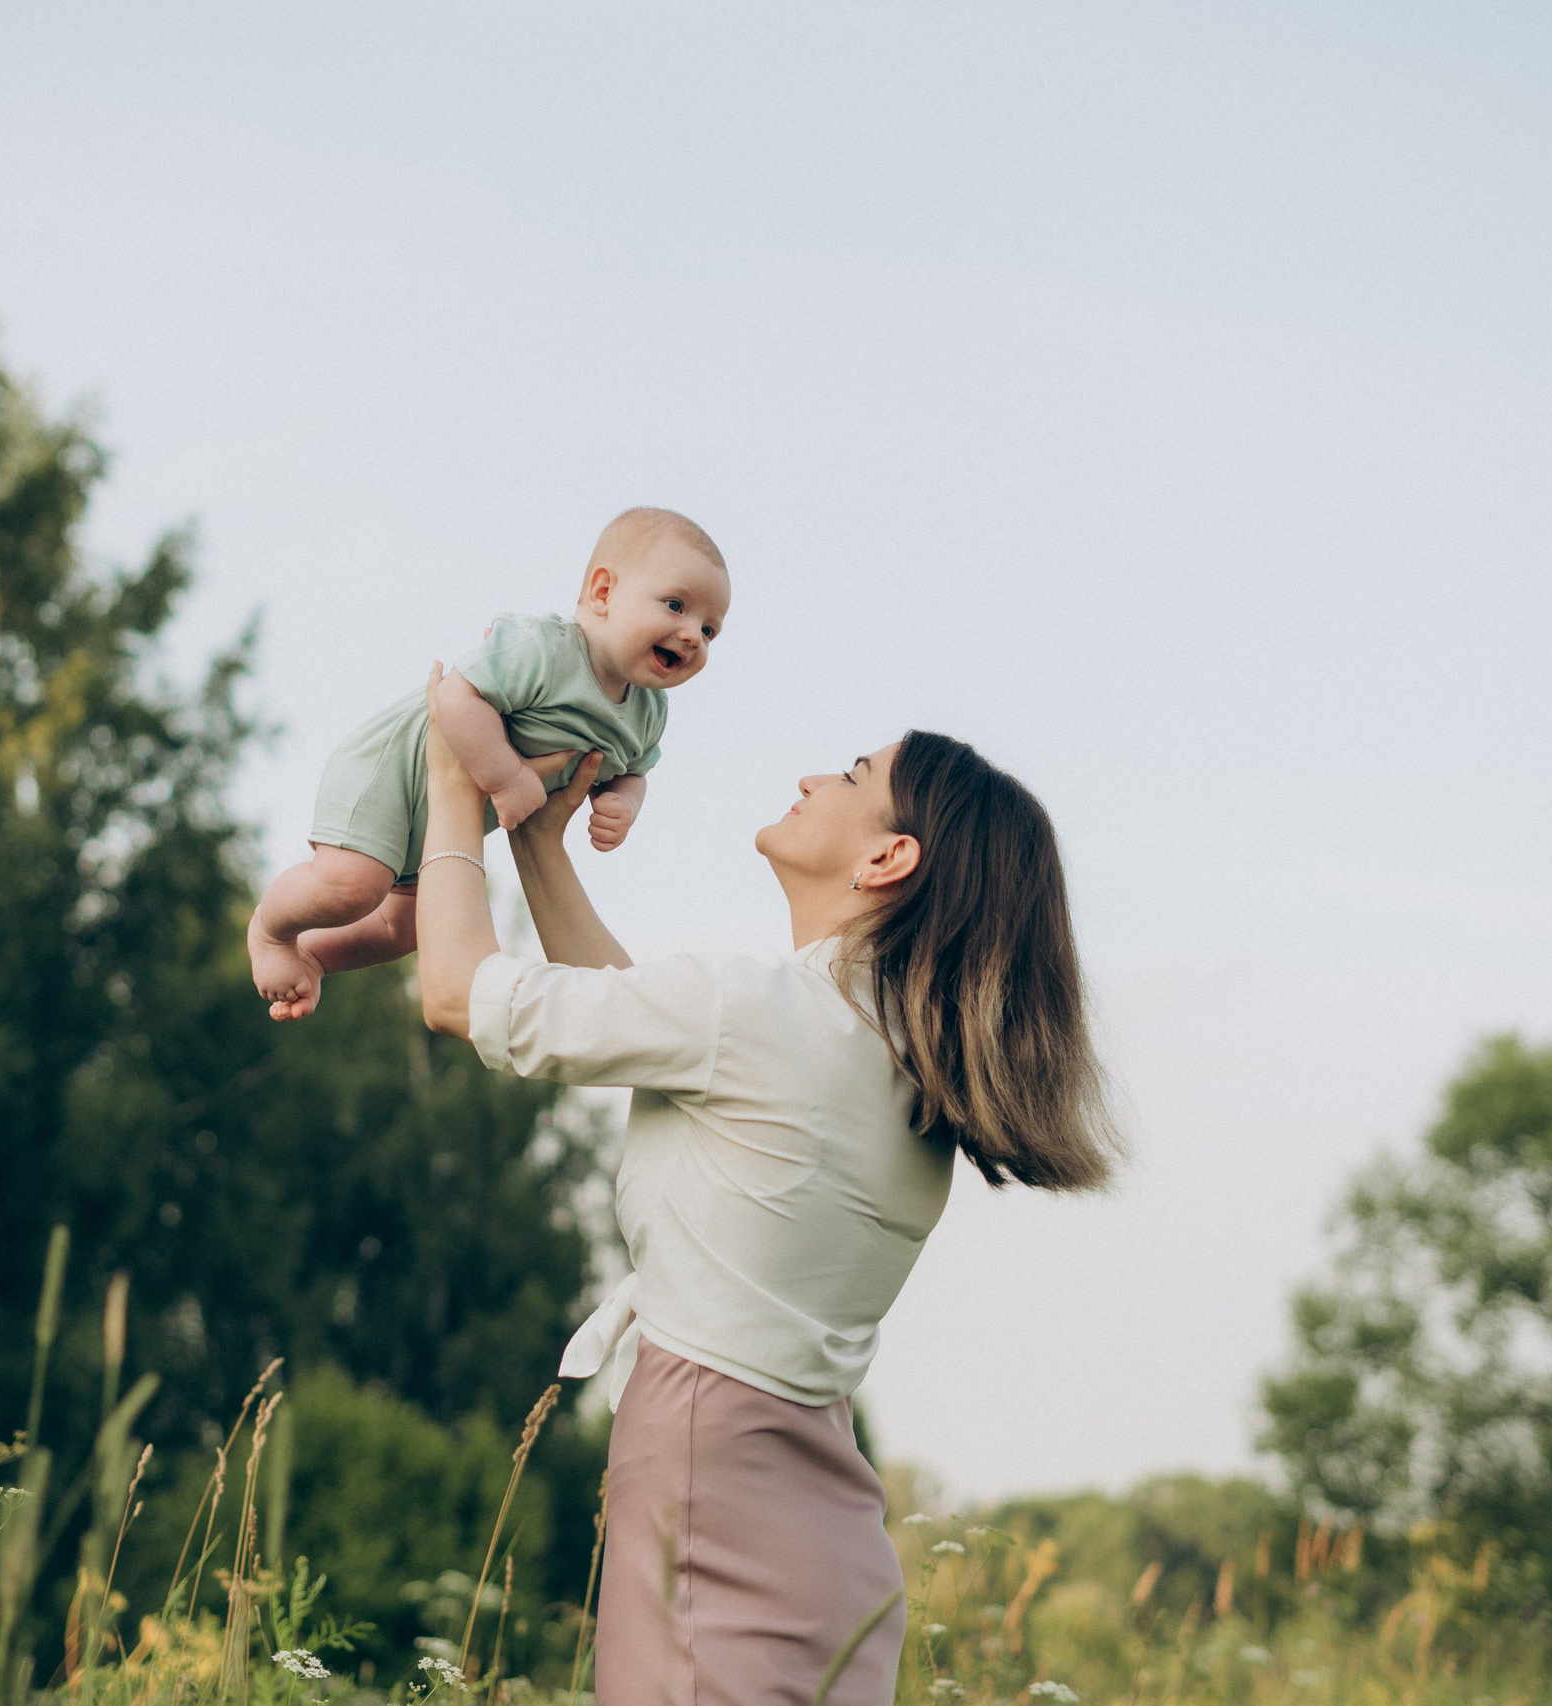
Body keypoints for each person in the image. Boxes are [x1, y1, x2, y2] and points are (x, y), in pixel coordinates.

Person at [413, 680, 1116, 1706]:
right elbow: (642, 1023)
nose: (809, 777)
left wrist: (449, 780)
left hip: (708, 1466)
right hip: (822, 1529)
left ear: (888, 858)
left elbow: (452, 990)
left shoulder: (755, 1015)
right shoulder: (896, 1063)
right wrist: (538, 843)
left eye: (850, 774)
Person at [247, 508, 729, 1021]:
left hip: (445, 817)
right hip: (393, 771)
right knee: (352, 885)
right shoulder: (543, 649)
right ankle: (271, 931)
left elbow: (635, 771)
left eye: (709, 629)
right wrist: (508, 776)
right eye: (676, 605)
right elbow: (454, 698)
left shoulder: (648, 713)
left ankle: (317, 956)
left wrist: (622, 804)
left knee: (406, 927)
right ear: (603, 593)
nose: (693, 635)